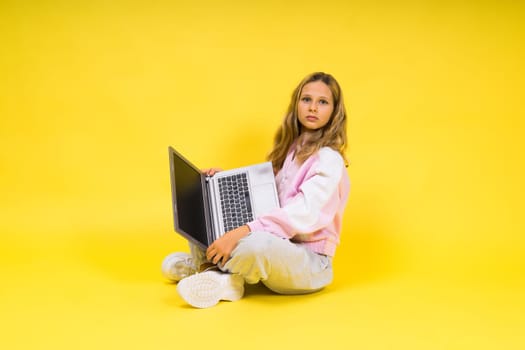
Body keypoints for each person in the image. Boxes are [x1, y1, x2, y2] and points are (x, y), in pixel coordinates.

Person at [162, 72, 351, 308]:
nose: (313, 107)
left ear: (334, 112)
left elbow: (302, 214)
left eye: (322, 102)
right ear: (296, 104)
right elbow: (271, 195)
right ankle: (211, 266)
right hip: (281, 243)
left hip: (308, 262)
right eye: (306, 99)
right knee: (209, 199)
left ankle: (220, 275)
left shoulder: (328, 160)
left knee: (256, 245)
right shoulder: (294, 147)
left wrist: (243, 230)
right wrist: (224, 181)